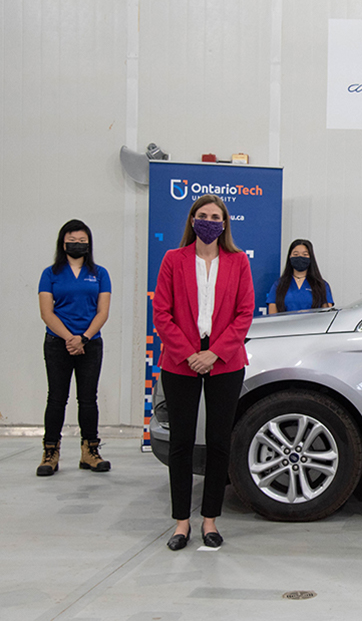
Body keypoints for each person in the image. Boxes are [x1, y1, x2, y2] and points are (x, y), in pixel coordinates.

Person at [152, 194, 254, 551]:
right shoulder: (173, 260)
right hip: (181, 361)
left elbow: (245, 314)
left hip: (224, 361)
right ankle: (182, 522)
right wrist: (190, 354)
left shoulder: (238, 261)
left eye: (216, 216)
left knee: (218, 441)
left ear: (224, 223)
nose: (209, 220)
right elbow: (161, 313)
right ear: (192, 220)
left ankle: (210, 520)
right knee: (180, 441)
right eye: (203, 215)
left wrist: (213, 354)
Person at [36, 220, 112, 476]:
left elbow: (103, 312)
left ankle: (90, 450)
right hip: (58, 344)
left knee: (88, 399)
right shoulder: (50, 273)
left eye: (82, 241)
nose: (77, 245)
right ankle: (50, 451)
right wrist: (70, 338)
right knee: (57, 398)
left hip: (90, 344)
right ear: (62, 242)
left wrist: (84, 338)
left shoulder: (100, 273)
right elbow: (47, 313)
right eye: (72, 240)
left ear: (89, 244)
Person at [266, 239, 334, 313]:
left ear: (311, 257)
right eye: (296, 254)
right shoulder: (279, 285)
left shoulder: (321, 285)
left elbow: (327, 315)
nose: (300, 257)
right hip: (286, 324)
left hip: (313, 324)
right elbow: (272, 315)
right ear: (290, 257)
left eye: (305, 255)